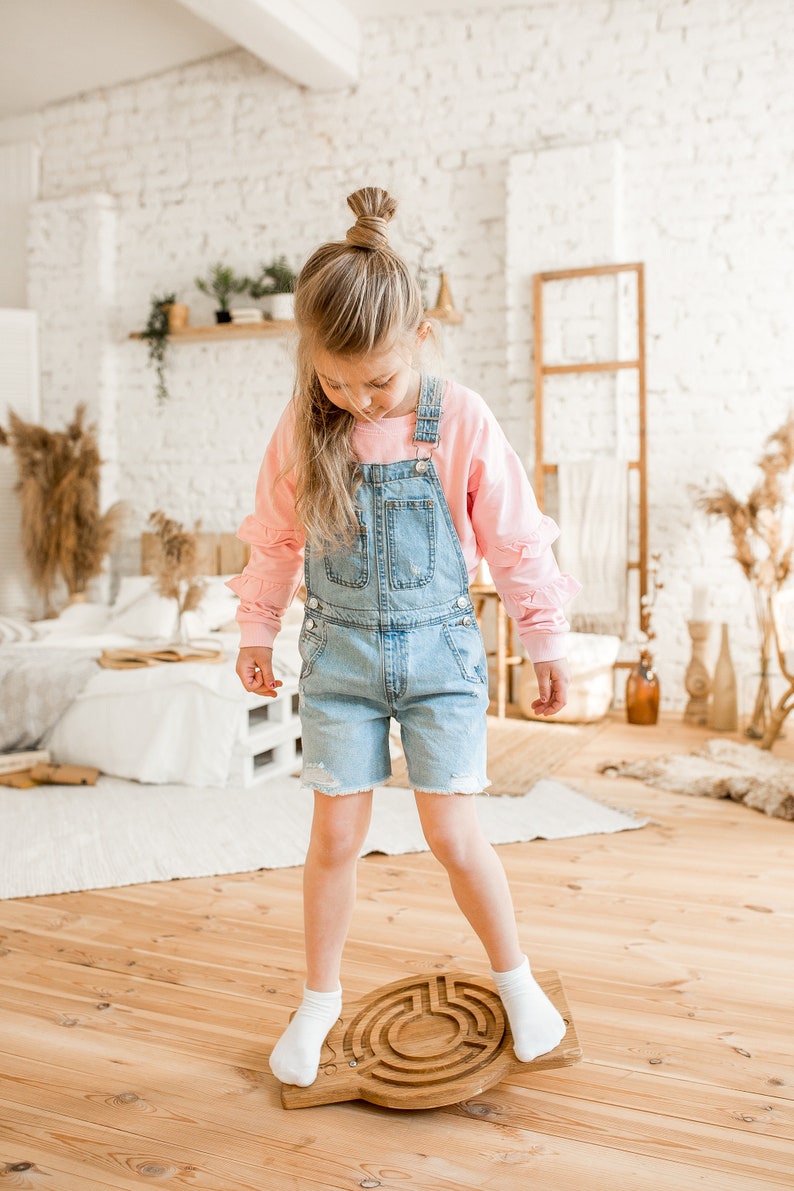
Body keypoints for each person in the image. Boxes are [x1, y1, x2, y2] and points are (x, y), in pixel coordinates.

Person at [228, 187, 580, 1089]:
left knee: (453, 832)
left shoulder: (458, 419)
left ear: (419, 335)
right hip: (339, 664)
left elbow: (514, 538)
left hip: (440, 663)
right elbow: (273, 538)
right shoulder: (309, 426)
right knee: (334, 839)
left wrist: (546, 643)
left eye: (374, 380)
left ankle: (517, 980)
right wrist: (257, 627)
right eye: (334, 380)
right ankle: (318, 997)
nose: (353, 396)